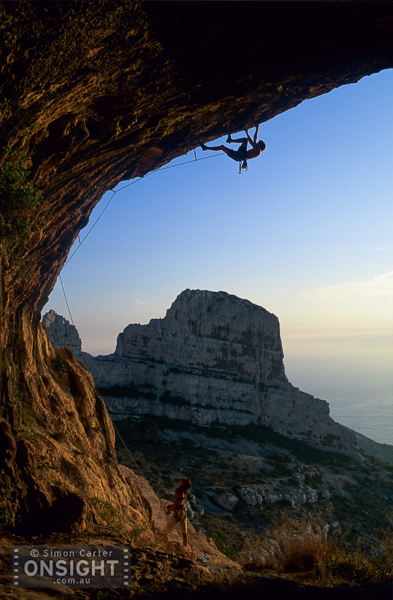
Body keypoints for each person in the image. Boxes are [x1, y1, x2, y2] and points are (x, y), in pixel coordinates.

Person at [199, 126, 266, 171]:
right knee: (245, 140)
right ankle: (230, 140)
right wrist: (257, 129)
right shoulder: (257, 148)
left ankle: (205, 148)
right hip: (241, 154)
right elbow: (255, 139)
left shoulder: (258, 151)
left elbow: (251, 141)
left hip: (239, 156)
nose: (256, 143)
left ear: (260, 146)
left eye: (258, 143)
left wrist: (247, 132)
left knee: (222, 147)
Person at [161, 478, 192, 548]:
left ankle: (163, 543)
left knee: (167, 529)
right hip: (183, 511)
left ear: (183, 483)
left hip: (178, 512)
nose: (180, 480)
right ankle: (185, 547)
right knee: (184, 533)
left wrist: (169, 510)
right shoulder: (186, 491)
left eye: (182, 480)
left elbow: (175, 505)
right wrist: (171, 506)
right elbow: (180, 502)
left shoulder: (178, 491)